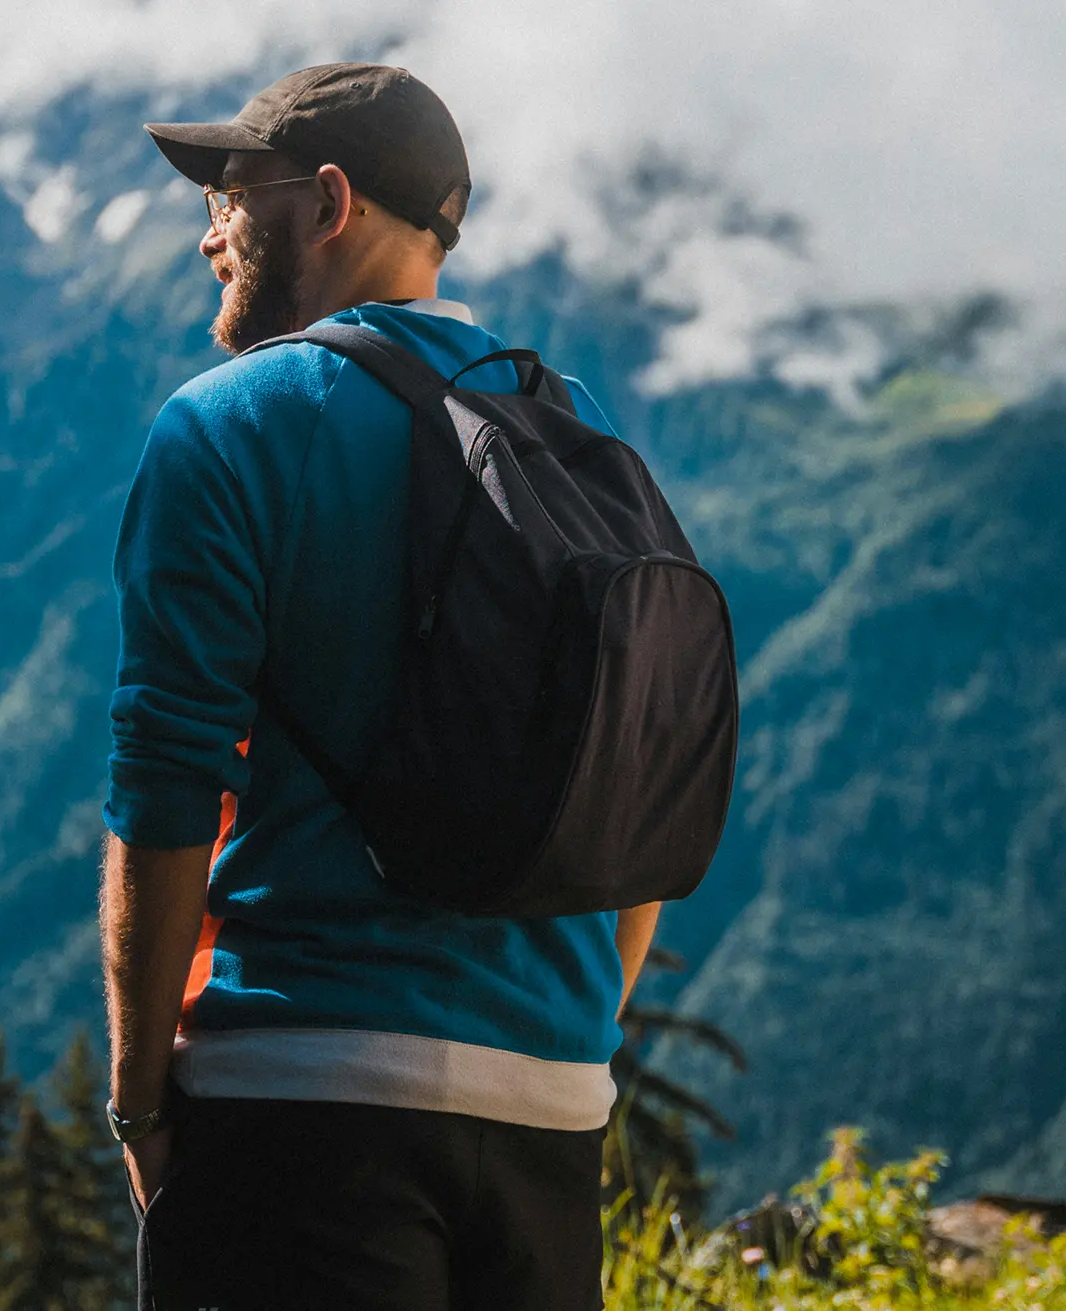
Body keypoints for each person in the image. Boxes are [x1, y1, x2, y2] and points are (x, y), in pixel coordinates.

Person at [100, 62, 662, 1310]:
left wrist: (140, 1105)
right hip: (551, 1122)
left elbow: (167, 789)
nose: (209, 235)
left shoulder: (227, 427)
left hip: (302, 1103)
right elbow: (644, 777)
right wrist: (565, 1035)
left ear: (329, 202)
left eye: (233, 196)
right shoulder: (584, 436)